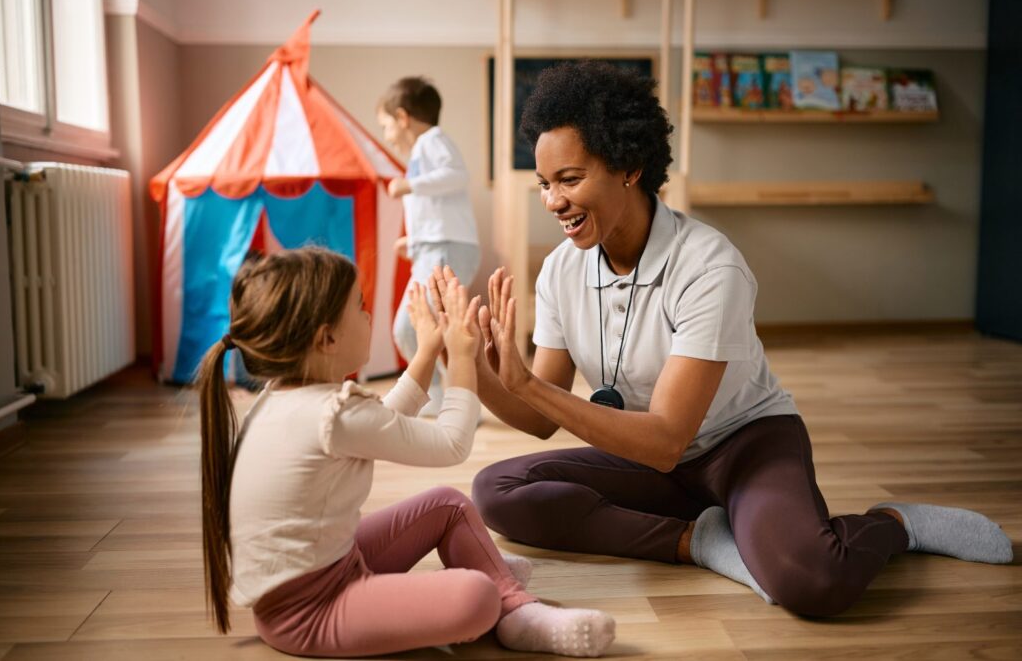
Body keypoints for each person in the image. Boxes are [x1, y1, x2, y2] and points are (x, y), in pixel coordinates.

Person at [431, 61, 1013, 618]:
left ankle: (894, 523)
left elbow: (663, 439)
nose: (553, 201)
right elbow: (537, 415)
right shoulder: (561, 269)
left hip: (742, 446)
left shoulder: (710, 266)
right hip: (646, 457)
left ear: (628, 166)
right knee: (498, 489)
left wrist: (527, 383)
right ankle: (697, 540)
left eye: (570, 179)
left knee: (811, 580)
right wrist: (475, 365)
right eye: (544, 184)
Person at [196, 247, 615, 657]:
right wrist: (463, 358)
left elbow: (381, 421)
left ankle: (509, 596)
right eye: (359, 307)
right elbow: (452, 444)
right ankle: (506, 598)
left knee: (447, 504)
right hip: (309, 613)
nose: (368, 315)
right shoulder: (333, 415)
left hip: (329, 567)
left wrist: (428, 350)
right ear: (327, 339)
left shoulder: (284, 397)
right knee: (476, 597)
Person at [378, 76, 480, 415]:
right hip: (436, 245)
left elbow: (457, 176)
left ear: (403, 118)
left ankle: (441, 396)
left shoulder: (432, 140)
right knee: (425, 328)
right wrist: (416, 241)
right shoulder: (423, 150)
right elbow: (438, 207)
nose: (387, 135)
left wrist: (409, 185)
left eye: (386, 125)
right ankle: (444, 396)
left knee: (410, 327)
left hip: (445, 248)